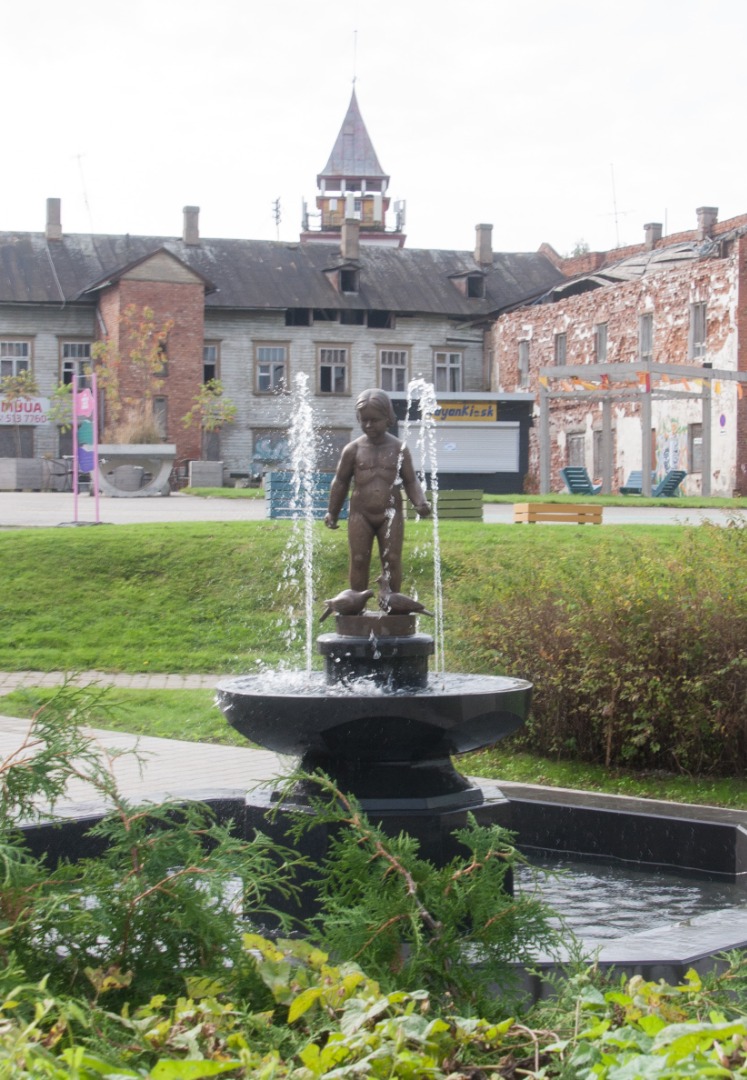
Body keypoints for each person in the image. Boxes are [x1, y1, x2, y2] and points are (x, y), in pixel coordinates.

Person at [324, 389, 430, 592]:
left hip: (390, 513)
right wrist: (332, 511)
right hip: (360, 514)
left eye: (375, 420)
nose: (369, 425)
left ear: (388, 418)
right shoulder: (352, 450)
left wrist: (419, 501)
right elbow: (340, 482)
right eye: (364, 420)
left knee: (391, 559)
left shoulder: (399, 448)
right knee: (358, 558)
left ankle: (392, 607)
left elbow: (411, 481)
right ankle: (355, 607)